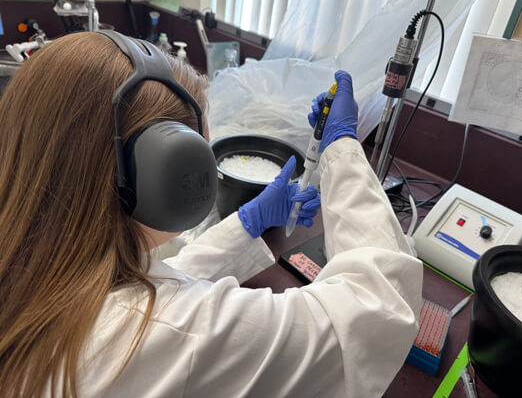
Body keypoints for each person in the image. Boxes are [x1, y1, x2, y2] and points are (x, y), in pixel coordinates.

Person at [0, 31, 422, 398]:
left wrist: (245, 225)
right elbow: (376, 311)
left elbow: (147, 285)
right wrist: (342, 149)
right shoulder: (170, 337)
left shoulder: (37, 270)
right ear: (168, 174)